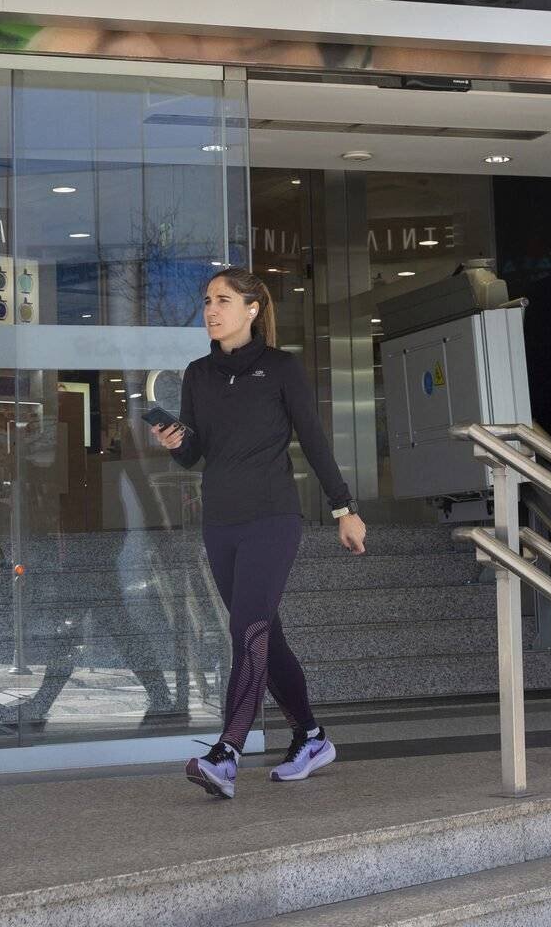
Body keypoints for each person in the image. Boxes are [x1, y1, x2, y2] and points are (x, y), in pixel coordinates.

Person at [148, 265, 367, 800]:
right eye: (206, 301)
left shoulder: (281, 369)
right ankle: (311, 737)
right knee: (267, 636)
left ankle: (226, 753)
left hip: (272, 518)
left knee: (247, 631)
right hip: (220, 522)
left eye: (222, 300)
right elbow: (197, 455)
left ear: (252, 309)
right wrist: (175, 443)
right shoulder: (197, 374)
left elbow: (313, 440)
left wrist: (345, 509)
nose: (211, 310)